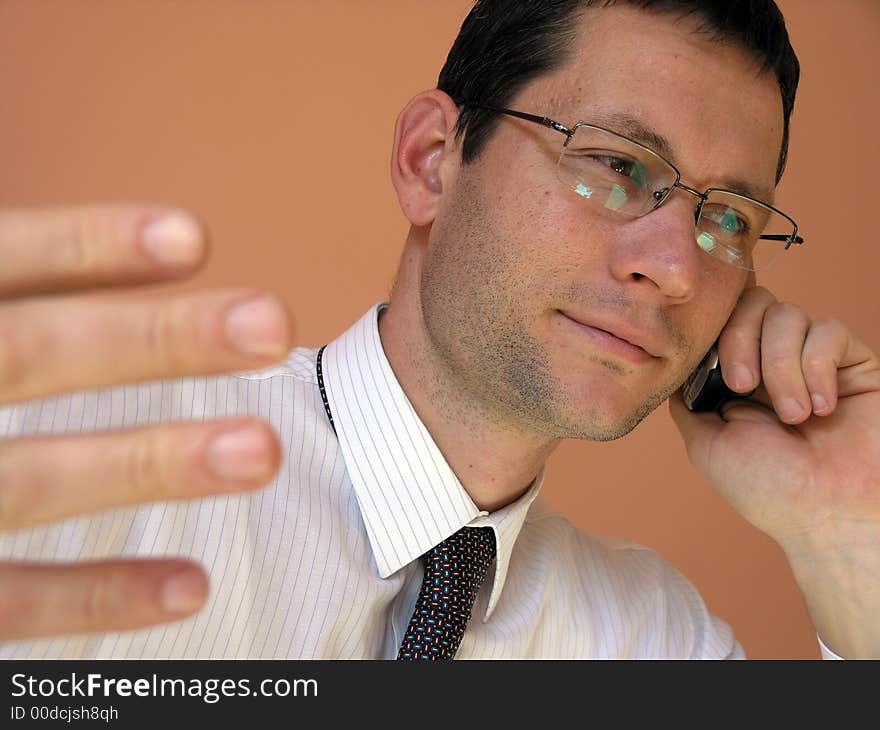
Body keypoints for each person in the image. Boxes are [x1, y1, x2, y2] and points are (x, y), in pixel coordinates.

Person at [1, 0, 877, 660]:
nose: (679, 268)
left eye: (727, 217)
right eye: (616, 164)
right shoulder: (84, 465)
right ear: (432, 161)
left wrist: (848, 536)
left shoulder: (653, 641)